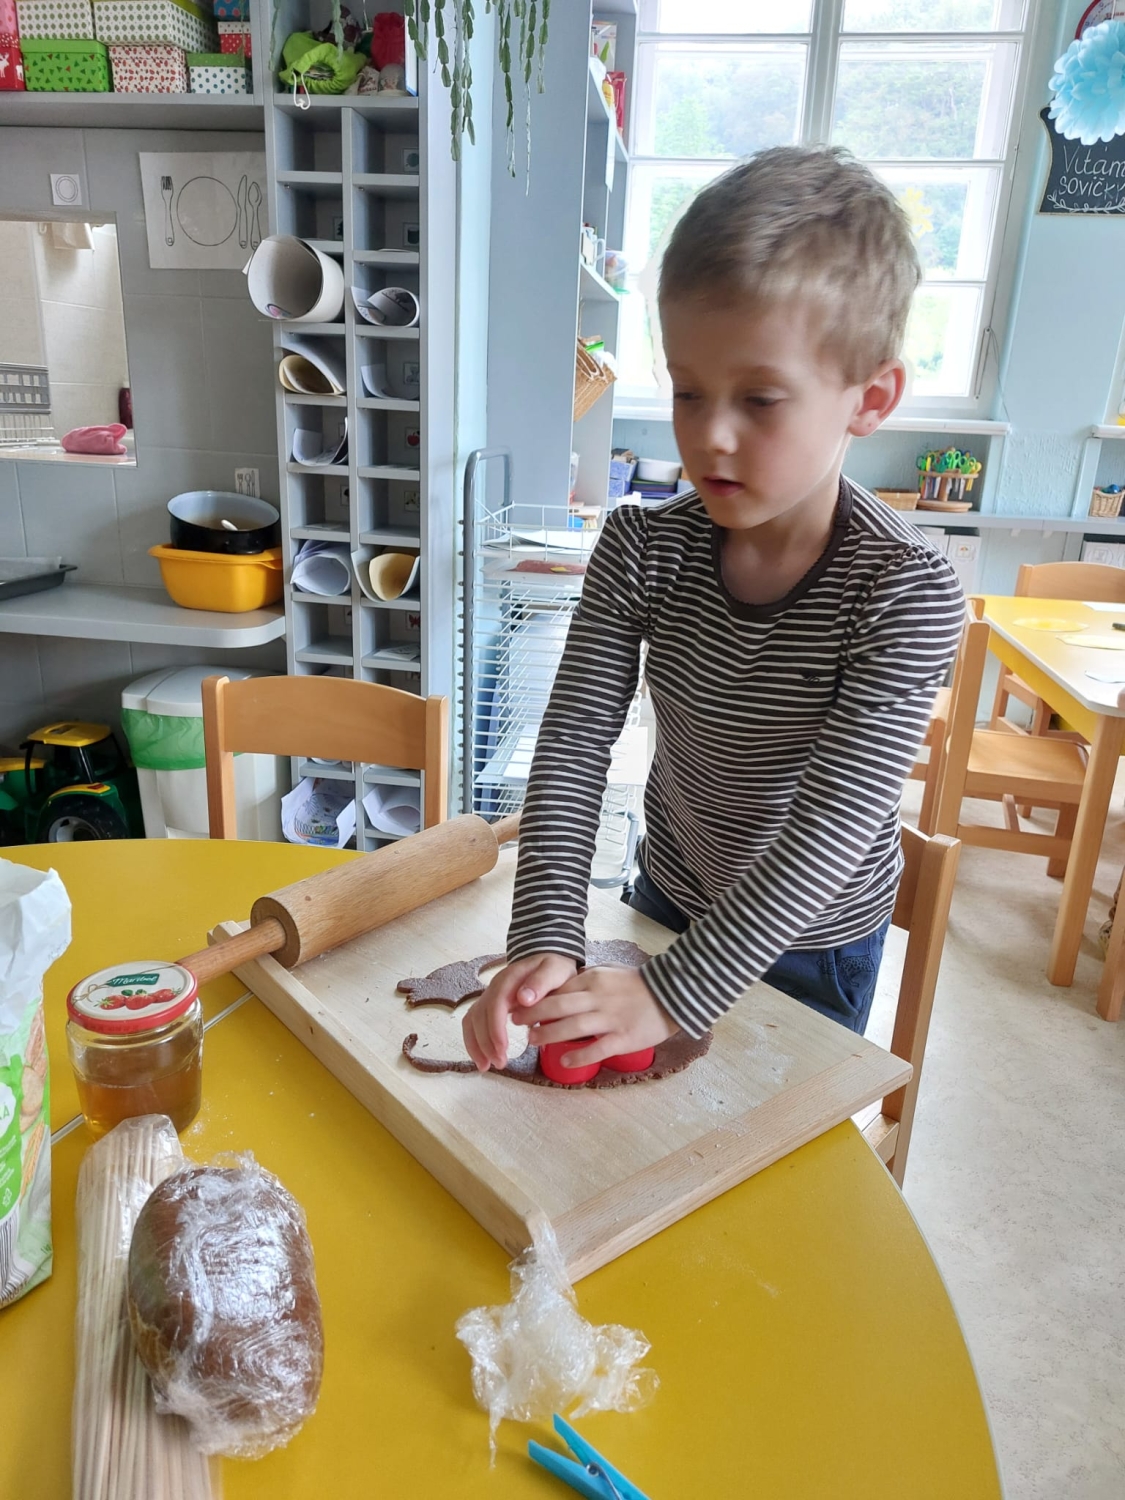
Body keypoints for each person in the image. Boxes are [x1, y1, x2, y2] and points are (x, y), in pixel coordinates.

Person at [463, 145, 965, 1076]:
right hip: (667, 895)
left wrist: (672, 992)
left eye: (759, 399)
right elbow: (572, 741)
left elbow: (835, 821)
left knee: (763, 1143)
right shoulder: (641, 546)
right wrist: (546, 931)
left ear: (870, 398)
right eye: (687, 392)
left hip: (810, 942)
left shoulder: (905, 590)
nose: (709, 435)